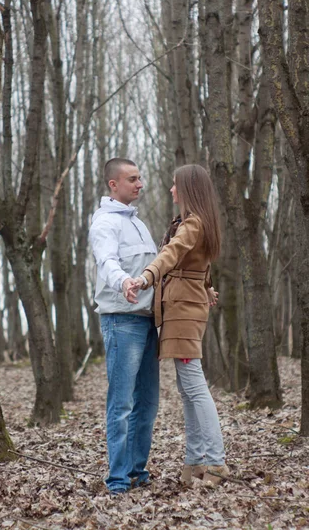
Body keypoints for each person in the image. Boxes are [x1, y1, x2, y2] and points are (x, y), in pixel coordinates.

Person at [125, 163, 229, 487]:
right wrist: (206, 285)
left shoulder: (192, 224)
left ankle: (216, 461)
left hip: (184, 311)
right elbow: (197, 262)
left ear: (188, 190)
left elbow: (172, 254)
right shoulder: (198, 222)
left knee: (194, 386)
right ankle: (195, 461)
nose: (171, 190)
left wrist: (145, 278)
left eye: (175, 185)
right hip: (184, 306)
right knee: (187, 389)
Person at [89, 157, 159, 494]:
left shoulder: (139, 224)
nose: (140, 183)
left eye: (140, 177)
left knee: (147, 403)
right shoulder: (105, 222)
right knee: (122, 405)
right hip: (121, 321)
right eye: (132, 178)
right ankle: (117, 480)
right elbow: (107, 261)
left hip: (148, 322)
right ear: (113, 184)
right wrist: (124, 283)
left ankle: (136, 472)